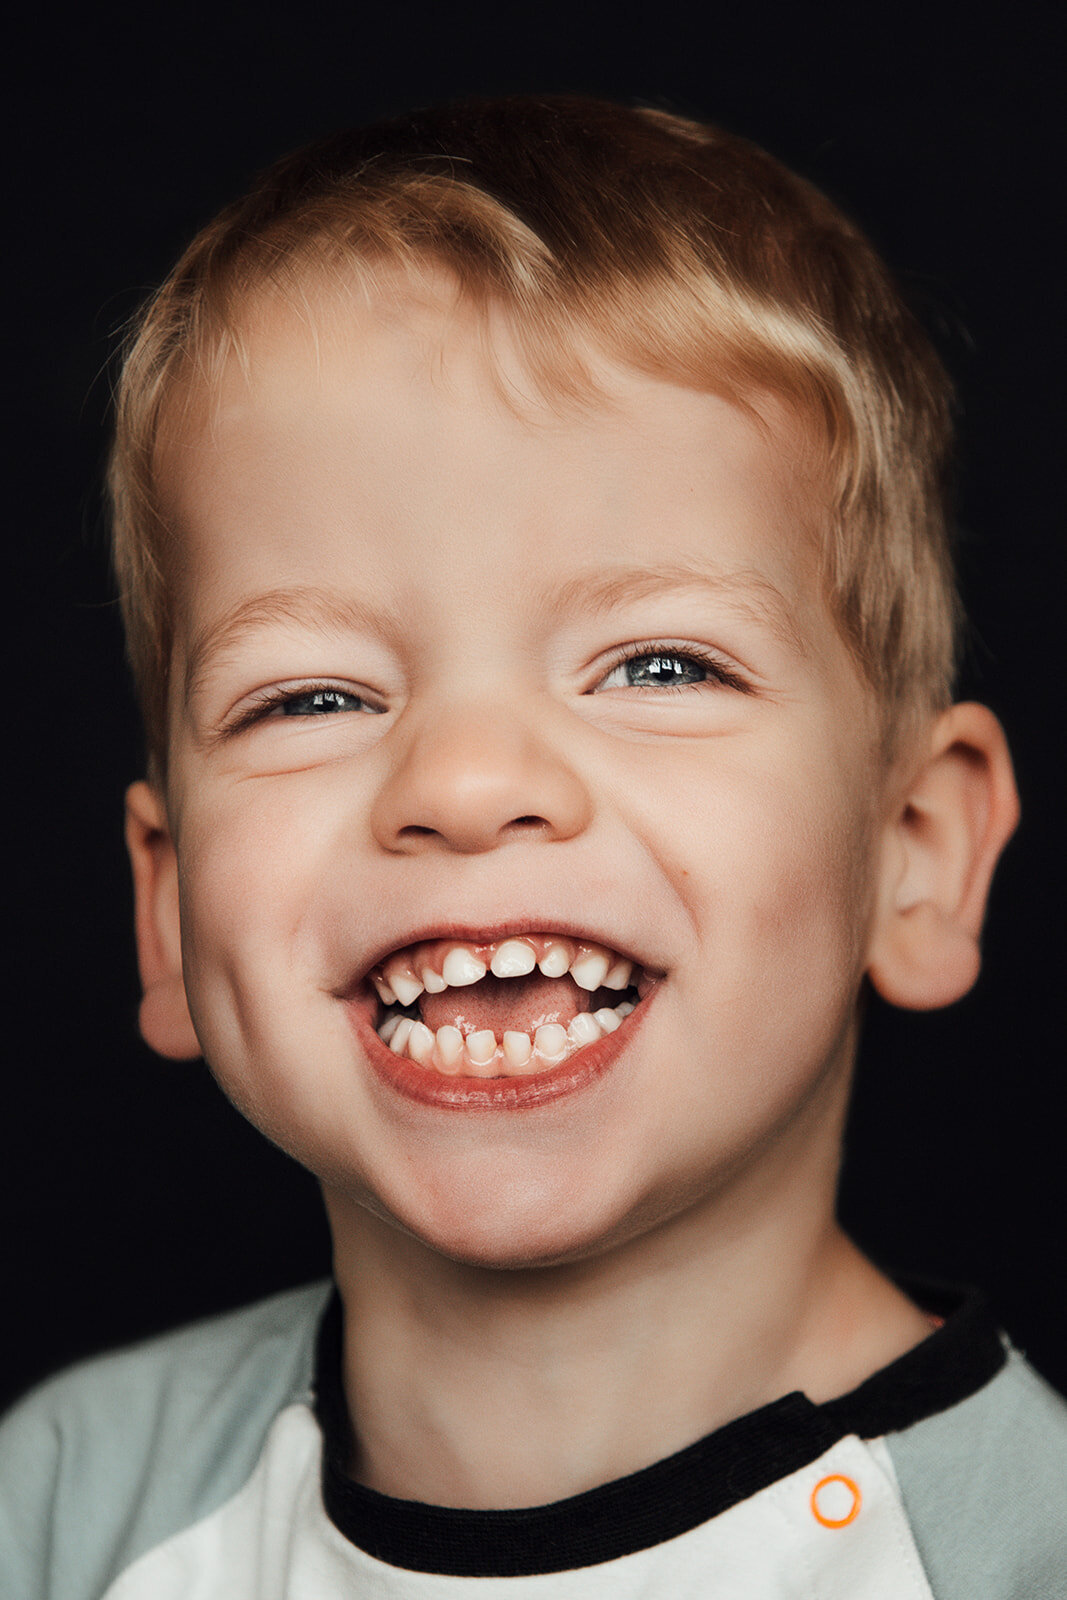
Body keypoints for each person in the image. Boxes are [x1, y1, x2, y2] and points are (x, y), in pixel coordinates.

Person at [1, 94, 1063, 1598]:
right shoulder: (64, 1509)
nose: (468, 779)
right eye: (312, 694)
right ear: (168, 910)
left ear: (917, 848)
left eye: (659, 666)